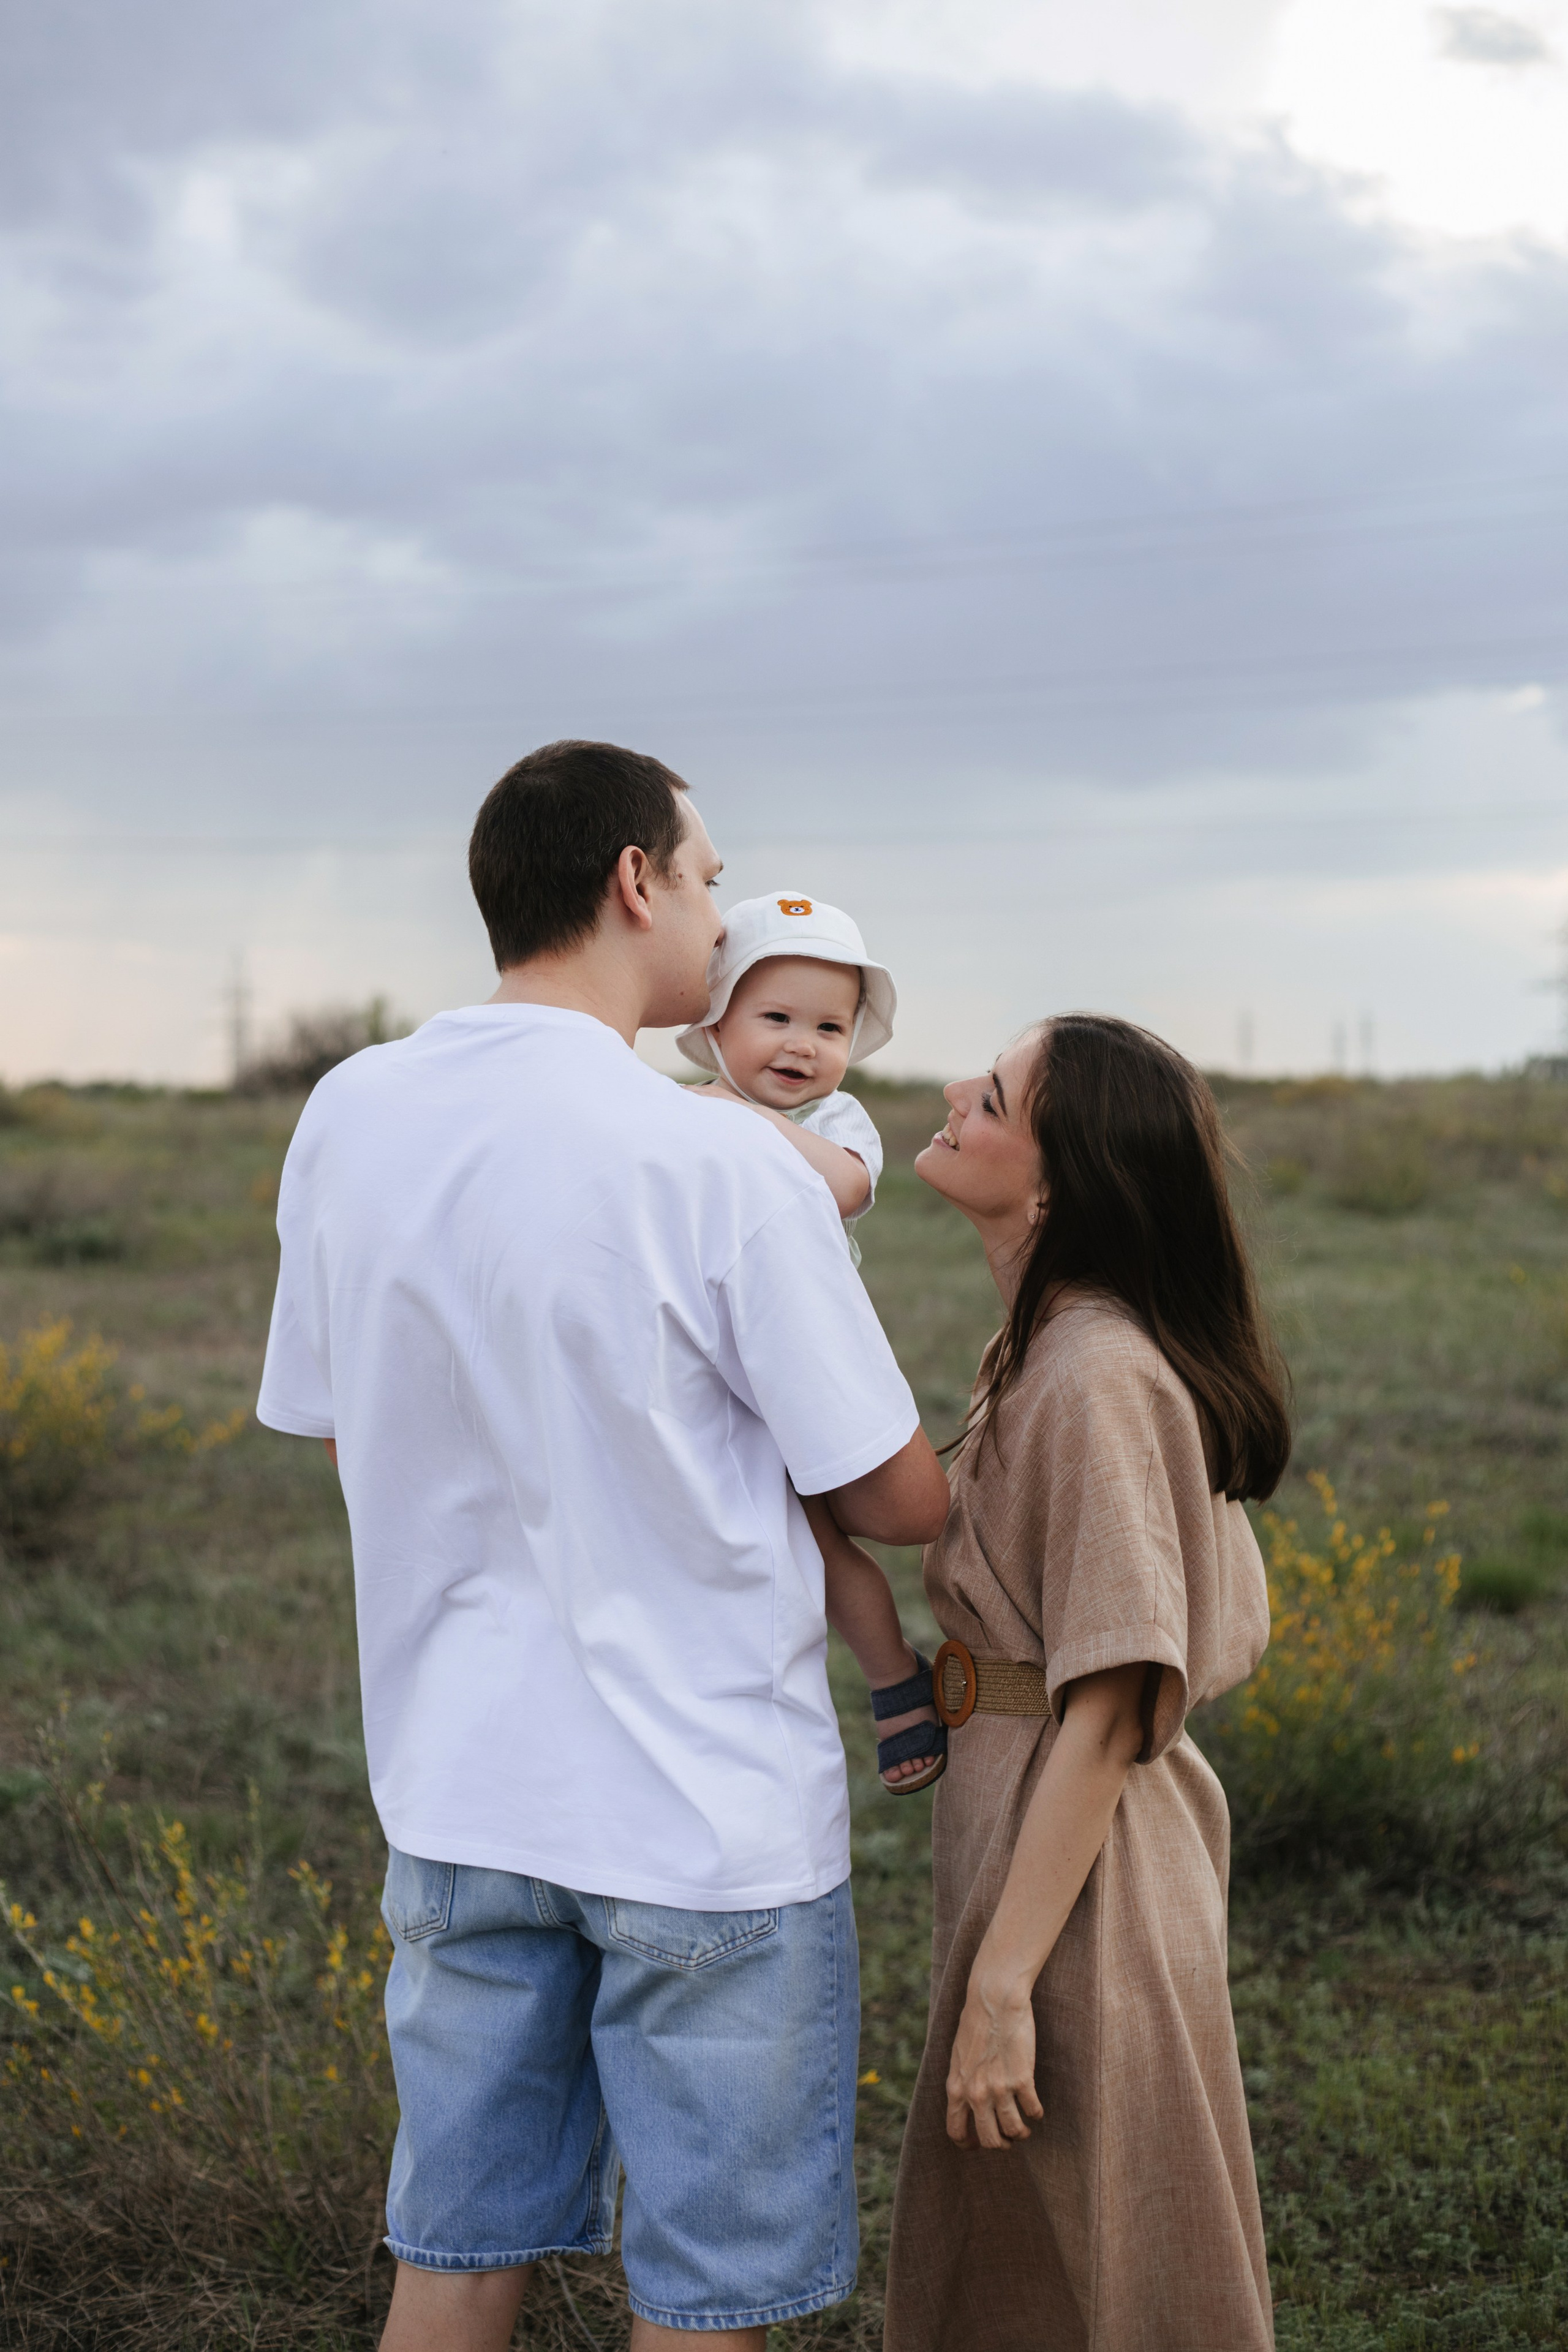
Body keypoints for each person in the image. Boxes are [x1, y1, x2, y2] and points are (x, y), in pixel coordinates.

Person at [254, 739, 950, 2352]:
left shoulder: (350, 1112)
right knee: (708, 2302)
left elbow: (364, 1436)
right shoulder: (723, 1160)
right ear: (634, 879)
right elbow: (895, 1499)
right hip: (704, 1819)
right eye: (707, 877)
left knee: (454, 2257)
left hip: (456, 1792)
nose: (718, 917)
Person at [883, 1013, 1289, 2352]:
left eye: (991, 1094)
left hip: (1084, 1859)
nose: (951, 1091)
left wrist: (1005, 1984)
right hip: (1033, 1822)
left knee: (1106, 2229)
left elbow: (1110, 1703)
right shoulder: (1041, 1346)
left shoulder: (1096, 1372)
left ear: (1054, 1183)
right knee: (1035, 2236)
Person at [677, 894, 947, 1796]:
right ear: (716, 1021)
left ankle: (890, 1675)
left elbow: (839, 1185)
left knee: (835, 1548)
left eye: (830, 1027)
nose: (803, 1045)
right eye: (776, 1019)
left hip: (805, 1368)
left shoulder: (836, 1121)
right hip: (718, 1369)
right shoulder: (676, 1114)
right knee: (780, 1542)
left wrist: (738, 1119)